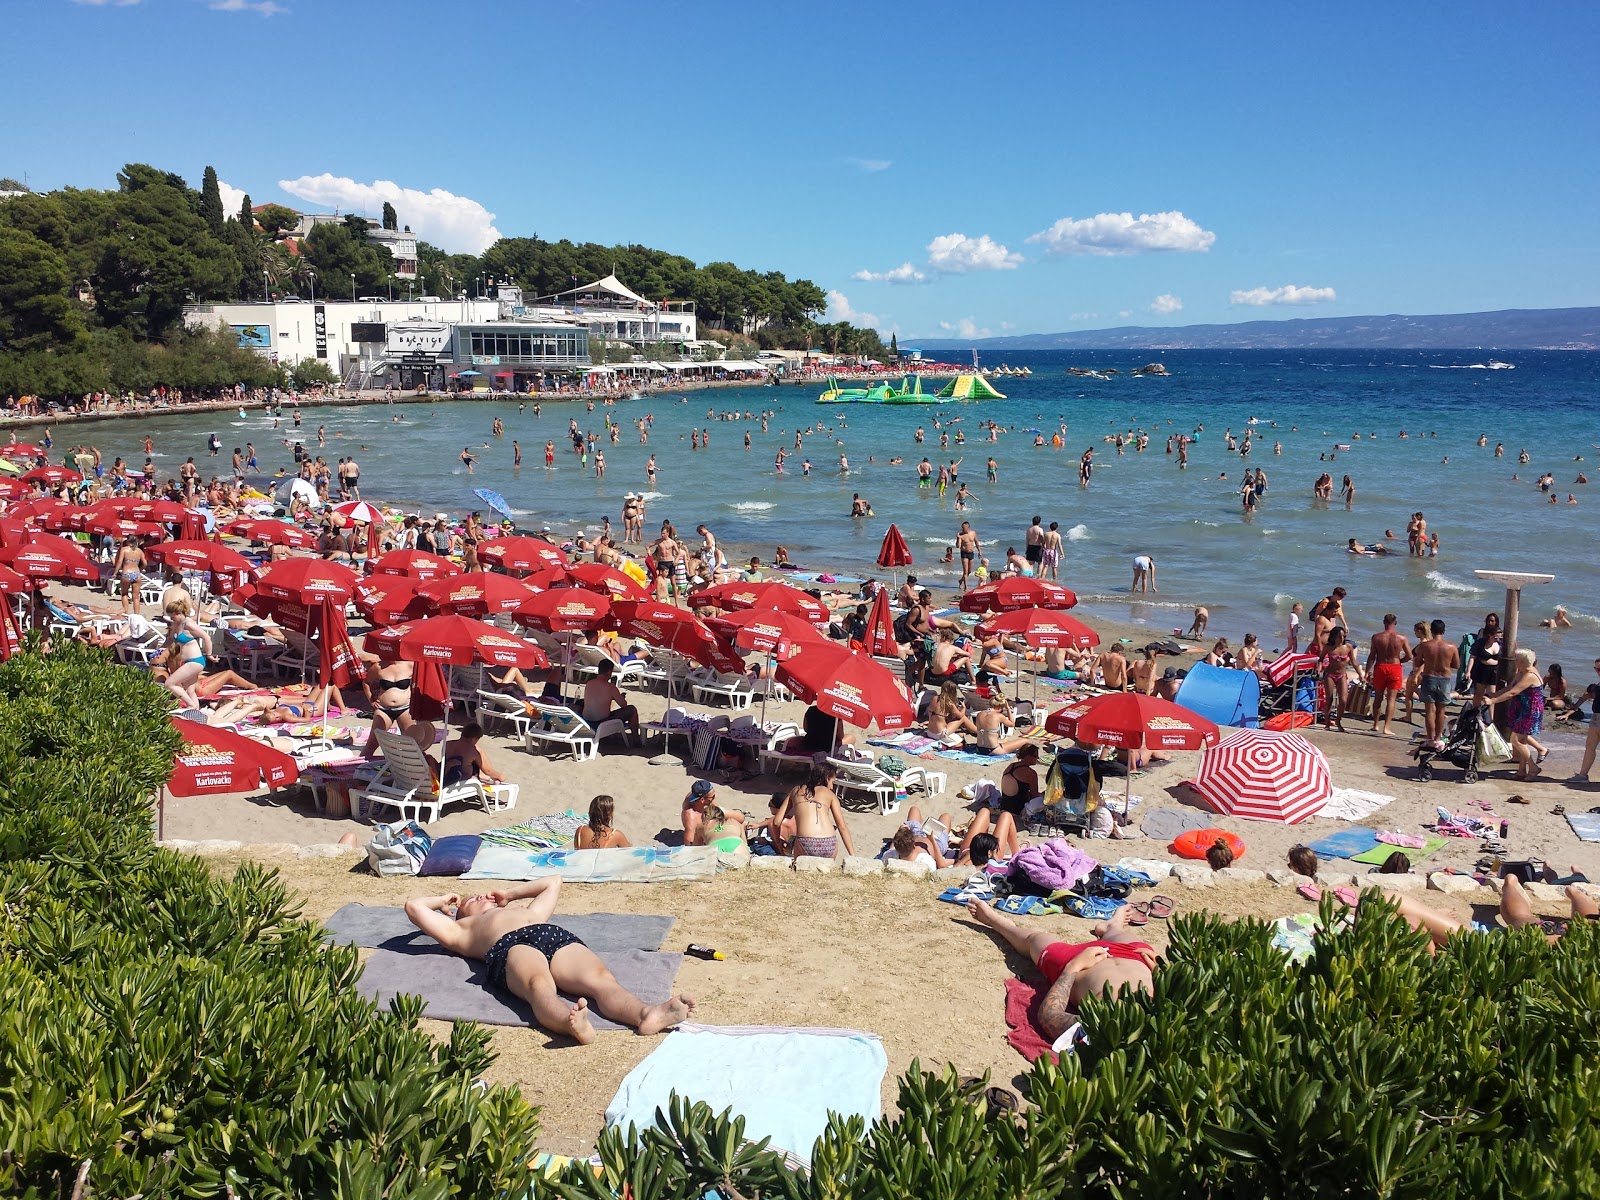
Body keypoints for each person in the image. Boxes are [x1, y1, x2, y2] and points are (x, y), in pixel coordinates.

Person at [404, 878, 693, 1044]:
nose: (480, 896)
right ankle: (569, 1024)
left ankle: (646, 1015)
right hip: (511, 945)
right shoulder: (460, 931)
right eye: (470, 900)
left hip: (552, 935)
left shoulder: (529, 911)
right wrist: (443, 900)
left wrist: (510, 894)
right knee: (538, 985)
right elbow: (414, 907)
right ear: (460, 914)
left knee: (601, 980)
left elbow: (553, 883)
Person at [965, 898, 1157, 1040]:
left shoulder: (1102, 1027)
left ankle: (998, 923)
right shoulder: (1163, 1018)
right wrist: (1163, 971)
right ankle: (1112, 926)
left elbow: (1049, 1016)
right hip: (1136, 957)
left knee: (1034, 940)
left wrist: (1073, 967)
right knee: (1118, 934)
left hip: (1080, 965)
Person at [1484, 647, 1546, 782]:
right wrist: (1494, 695)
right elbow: (1509, 688)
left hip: (1529, 710)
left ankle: (1533, 767)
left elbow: (1513, 693)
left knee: (1515, 740)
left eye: (1517, 659)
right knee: (1522, 740)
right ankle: (1522, 771)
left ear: (1523, 661)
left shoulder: (1530, 675)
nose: (1515, 662)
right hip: (1521, 708)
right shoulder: (1521, 672)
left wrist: (1493, 701)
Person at [770, 763, 855, 860]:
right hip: (829, 842)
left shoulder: (796, 791)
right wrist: (852, 856)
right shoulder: (830, 794)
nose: (832, 787)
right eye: (832, 782)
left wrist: (778, 843)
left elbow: (776, 822)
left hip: (805, 842)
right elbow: (842, 827)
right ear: (827, 778)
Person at [1414, 619, 1461, 745]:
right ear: (1443, 631)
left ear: (1432, 631)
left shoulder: (1425, 646)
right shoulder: (1451, 646)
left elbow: (1417, 662)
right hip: (1444, 679)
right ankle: (1438, 737)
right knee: (1441, 711)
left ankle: (1430, 737)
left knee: (1429, 710)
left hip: (1429, 678)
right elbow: (1457, 665)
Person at [161, 596, 212, 708]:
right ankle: (196, 714)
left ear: (179, 613)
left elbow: (206, 637)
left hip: (195, 661)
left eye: (172, 617)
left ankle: (191, 705)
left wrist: (209, 655)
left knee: (169, 683)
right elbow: (170, 639)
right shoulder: (176, 624)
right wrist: (160, 648)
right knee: (190, 691)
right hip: (188, 661)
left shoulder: (188, 624)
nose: (171, 620)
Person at [1367, 614, 1412, 737]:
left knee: (1378, 697)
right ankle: (1386, 727)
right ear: (1395, 623)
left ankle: (1375, 725)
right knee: (1391, 699)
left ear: (1384, 622)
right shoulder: (1401, 638)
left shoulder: (1376, 637)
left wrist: (1366, 671)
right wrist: (1399, 661)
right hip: (1395, 668)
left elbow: (1372, 656)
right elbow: (1409, 656)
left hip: (1380, 667)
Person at [581, 659, 639, 737]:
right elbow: (624, 705)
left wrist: (611, 698)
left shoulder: (589, 684)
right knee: (632, 709)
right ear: (609, 672)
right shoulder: (610, 687)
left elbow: (599, 698)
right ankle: (636, 739)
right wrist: (620, 697)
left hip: (587, 721)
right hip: (602, 723)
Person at [1318, 627, 1359, 732]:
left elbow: (1354, 662)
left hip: (1342, 675)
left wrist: (1361, 674)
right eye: (1339, 636)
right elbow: (1321, 658)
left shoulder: (1348, 647)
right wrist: (1319, 668)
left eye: (1343, 636)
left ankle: (1338, 721)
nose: (1342, 638)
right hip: (1330, 674)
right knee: (1329, 699)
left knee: (1343, 700)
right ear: (1334, 637)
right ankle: (1327, 723)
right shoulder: (1329, 647)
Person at [441, 722, 505, 788]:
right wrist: (500, 776)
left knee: (475, 752)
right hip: (463, 779)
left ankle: (482, 775)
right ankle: (492, 777)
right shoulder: (472, 751)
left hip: (447, 774)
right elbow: (487, 771)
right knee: (477, 754)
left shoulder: (448, 744)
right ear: (474, 738)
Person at [997, 743, 1043, 816]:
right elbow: (1034, 795)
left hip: (1004, 806)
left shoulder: (1011, 766)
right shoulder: (1030, 773)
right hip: (1019, 810)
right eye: (1035, 756)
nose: (1037, 758)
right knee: (1043, 801)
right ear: (1028, 757)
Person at [1468, 612, 1503, 705]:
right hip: (1481, 671)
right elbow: (1473, 655)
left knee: (1492, 695)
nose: (1490, 623)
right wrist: (1468, 671)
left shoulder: (1500, 641)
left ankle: (1490, 718)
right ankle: (1475, 712)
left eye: (1492, 621)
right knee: (1478, 694)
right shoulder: (1482, 638)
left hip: (1494, 673)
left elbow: (1507, 656)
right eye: (1488, 621)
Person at [112, 535, 146, 615]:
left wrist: (115, 573)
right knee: (136, 597)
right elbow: (145, 563)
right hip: (136, 573)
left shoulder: (124, 550)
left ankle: (126, 613)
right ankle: (136, 615)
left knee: (124, 594)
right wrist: (139, 569)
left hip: (126, 573)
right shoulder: (139, 551)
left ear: (128, 541)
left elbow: (119, 562)